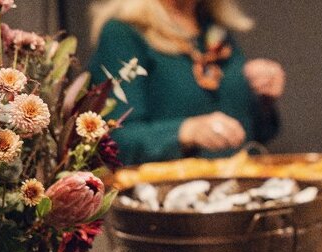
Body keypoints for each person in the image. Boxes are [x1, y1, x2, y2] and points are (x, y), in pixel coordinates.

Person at [87, 0, 284, 165]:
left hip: (237, 193)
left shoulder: (213, 27)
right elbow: (115, 141)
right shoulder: (122, 32)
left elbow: (253, 133)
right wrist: (185, 131)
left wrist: (262, 98)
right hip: (168, 203)